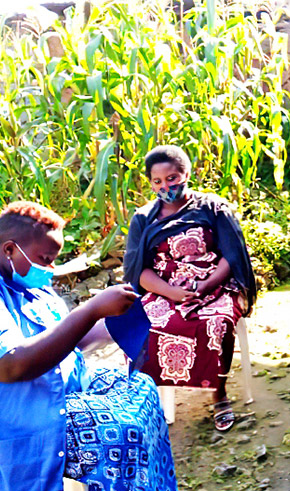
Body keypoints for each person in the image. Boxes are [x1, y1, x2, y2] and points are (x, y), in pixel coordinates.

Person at [0, 201, 176, 491]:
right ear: (10, 249)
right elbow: (10, 366)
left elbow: (62, 340)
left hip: (51, 393)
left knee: (142, 389)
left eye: (53, 260)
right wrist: (89, 311)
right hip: (6, 420)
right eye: (45, 259)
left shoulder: (23, 280)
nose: (50, 269)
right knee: (122, 433)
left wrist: (114, 321)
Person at [123, 145, 255, 431]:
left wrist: (205, 285)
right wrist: (171, 293)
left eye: (172, 178)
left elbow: (231, 257)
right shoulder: (144, 219)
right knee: (137, 326)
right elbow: (139, 271)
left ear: (186, 174)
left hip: (215, 286)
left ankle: (218, 393)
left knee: (216, 324)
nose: (165, 186)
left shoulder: (212, 208)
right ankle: (147, 399)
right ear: (150, 183)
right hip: (163, 290)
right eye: (157, 181)